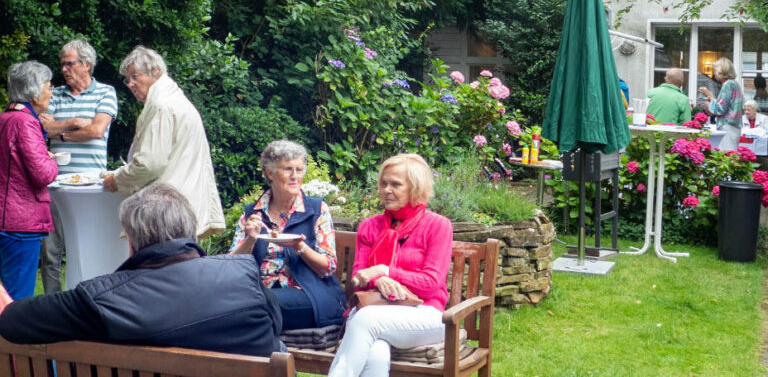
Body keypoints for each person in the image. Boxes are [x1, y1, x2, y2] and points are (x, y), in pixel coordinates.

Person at [0, 183, 283, 354]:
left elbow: (11, 321)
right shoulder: (245, 274)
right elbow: (275, 326)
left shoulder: (97, 300)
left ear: (132, 243)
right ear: (190, 233)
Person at [328, 154, 452, 377]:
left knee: (364, 319)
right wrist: (379, 278)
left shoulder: (437, 225)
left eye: (395, 184)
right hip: (379, 312)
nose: (386, 189)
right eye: (384, 183)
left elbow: (431, 283)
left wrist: (385, 271)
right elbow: (358, 278)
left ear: (415, 188)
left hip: (426, 314)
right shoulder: (370, 226)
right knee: (375, 353)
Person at [102, 46, 224, 239]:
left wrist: (117, 179)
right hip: (181, 208)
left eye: (135, 77)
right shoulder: (174, 98)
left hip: (167, 214)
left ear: (156, 72)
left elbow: (149, 164)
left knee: (160, 267)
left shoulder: (160, 105)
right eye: (128, 79)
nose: (130, 84)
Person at [230, 140, 346, 330]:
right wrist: (250, 239)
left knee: (256, 305)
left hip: (308, 293)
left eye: (299, 170)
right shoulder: (252, 213)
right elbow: (231, 266)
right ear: (270, 173)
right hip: (259, 291)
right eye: (287, 169)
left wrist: (299, 246)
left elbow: (328, 267)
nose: (295, 177)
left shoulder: (316, 210)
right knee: (243, 302)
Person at [38, 38, 118, 294]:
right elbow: (42, 127)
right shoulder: (56, 94)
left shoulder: (106, 92)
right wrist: (73, 121)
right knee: (50, 252)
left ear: (86, 65)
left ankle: (87, 300)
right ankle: (51, 305)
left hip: (91, 185)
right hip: (54, 183)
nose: (63, 69)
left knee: (85, 248)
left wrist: (59, 133)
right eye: (62, 64)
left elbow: (96, 130)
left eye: (69, 64)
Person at [0, 62, 59, 299]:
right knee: (17, 299)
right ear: (34, 93)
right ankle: (13, 337)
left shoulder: (5, 117)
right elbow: (42, 174)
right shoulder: (25, 122)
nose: (51, 91)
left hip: (6, 217)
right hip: (20, 223)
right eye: (48, 86)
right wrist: (52, 160)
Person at [700, 57, 743, 152]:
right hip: (734, 126)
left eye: (715, 70)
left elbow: (720, 109)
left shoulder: (728, 85)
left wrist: (709, 95)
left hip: (727, 126)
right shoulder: (735, 84)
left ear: (722, 71)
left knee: (726, 156)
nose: (714, 73)